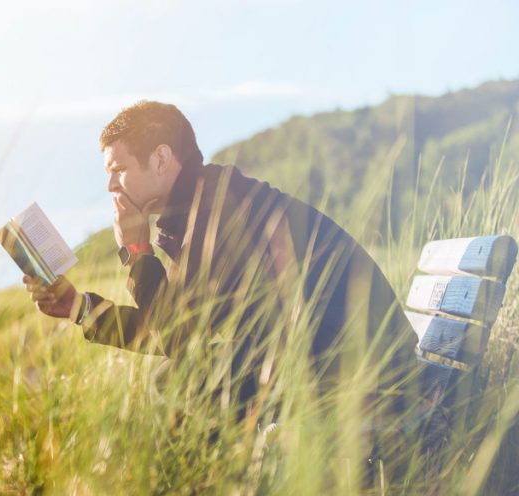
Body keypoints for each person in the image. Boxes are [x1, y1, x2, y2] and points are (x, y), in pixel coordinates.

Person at [23, 100, 421, 437]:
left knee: (178, 381)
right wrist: (78, 306)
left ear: (161, 158)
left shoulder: (221, 212)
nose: (110, 186)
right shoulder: (202, 207)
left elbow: (177, 338)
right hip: (335, 363)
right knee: (179, 376)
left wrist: (139, 251)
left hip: (370, 380)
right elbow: (176, 330)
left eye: (118, 169)